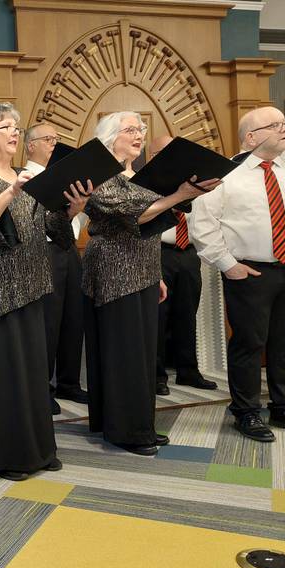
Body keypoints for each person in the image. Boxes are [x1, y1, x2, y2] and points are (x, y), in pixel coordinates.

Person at [0, 102, 87, 481]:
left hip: (29, 283)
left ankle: (35, 448)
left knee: (30, 372)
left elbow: (53, 232)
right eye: (6, 127)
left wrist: (71, 211)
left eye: (16, 126)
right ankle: (0, 454)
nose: (15, 133)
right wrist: (11, 191)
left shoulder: (28, 176)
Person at [83, 112, 220, 456]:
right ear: (110, 136)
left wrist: (156, 273)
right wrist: (182, 194)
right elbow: (137, 215)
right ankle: (126, 431)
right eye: (130, 129)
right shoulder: (100, 172)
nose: (139, 134)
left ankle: (139, 424)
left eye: (141, 129)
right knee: (125, 352)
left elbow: (150, 229)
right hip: (115, 269)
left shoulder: (135, 175)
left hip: (142, 267)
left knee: (143, 353)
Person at [190, 106, 285, 441]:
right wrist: (228, 265)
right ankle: (246, 413)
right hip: (249, 272)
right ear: (250, 137)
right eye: (275, 125)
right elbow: (203, 226)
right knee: (249, 344)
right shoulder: (223, 175)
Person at [24, 123, 89, 412]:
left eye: (57, 139)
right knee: (48, 321)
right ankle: (43, 387)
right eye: (47, 139)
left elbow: (78, 222)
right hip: (44, 251)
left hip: (71, 248)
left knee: (74, 316)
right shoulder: (23, 178)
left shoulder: (66, 178)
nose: (53, 143)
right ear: (30, 145)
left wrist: (79, 208)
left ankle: (69, 383)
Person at [147, 135, 217, 396]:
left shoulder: (194, 180)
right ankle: (156, 376)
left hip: (188, 253)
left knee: (187, 313)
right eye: (162, 152)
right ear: (152, 155)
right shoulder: (146, 182)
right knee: (158, 316)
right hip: (158, 251)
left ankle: (188, 370)